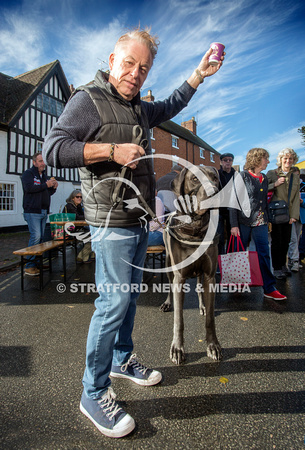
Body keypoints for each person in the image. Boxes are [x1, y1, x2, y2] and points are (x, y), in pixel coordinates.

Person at [43, 27, 225, 438]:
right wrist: (110, 151)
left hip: (141, 219)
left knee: (128, 302)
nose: (135, 74)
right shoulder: (87, 100)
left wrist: (198, 74)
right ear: (112, 60)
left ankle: (123, 359)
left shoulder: (140, 108)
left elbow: (172, 103)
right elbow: (54, 148)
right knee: (112, 305)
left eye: (143, 68)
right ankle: (93, 392)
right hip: (110, 221)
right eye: (129, 64)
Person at [230, 148, 286, 301]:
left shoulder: (264, 178)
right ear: (257, 159)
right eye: (266, 158)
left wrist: (267, 219)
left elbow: (264, 201)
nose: (268, 161)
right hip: (243, 222)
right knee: (239, 253)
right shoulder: (242, 176)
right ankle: (237, 282)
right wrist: (234, 225)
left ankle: (269, 288)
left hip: (260, 221)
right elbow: (233, 201)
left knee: (264, 253)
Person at [21, 151, 58, 276]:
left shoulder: (44, 177)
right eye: (40, 161)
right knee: (35, 237)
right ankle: (29, 266)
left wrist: (53, 187)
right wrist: (45, 185)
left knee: (41, 238)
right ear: (34, 162)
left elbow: (47, 193)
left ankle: (37, 263)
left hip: (43, 211)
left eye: (44, 162)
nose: (43, 164)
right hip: (32, 211)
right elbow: (29, 188)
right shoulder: (28, 174)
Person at [267, 148, 300, 279]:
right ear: (280, 160)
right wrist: (274, 184)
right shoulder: (272, 173)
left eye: (290, 158)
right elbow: (262, 188)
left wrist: (294, 215)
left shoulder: (295, 176)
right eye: (285, 158)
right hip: (276, 213)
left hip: (288, 213)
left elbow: (296, 197)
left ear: (293, 160)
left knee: (286, 240)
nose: (288, 161)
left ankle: (283, 265)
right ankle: (276, 267)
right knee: (276, 241)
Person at [63, 190, 94, 263]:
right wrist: (88, 216)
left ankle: (91, 256)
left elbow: (82, 216)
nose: (79, 198)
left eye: (81, 197)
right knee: (91, 238)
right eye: (77, 197)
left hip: (77, 229)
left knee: (95, 234)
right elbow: (77, 217)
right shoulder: (69, 206)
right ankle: (82, 257)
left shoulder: (78, 206)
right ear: (72, 198)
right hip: (69, 231)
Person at [217, 152, 235, 255]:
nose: (228, 162)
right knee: (219, 237)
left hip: (232, 209)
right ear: (221, 162)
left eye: (230, 160)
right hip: (219, 209)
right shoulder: (217, 174)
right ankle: (220, 261)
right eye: (225, 160)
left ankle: (230, 259)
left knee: (232, 235)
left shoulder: (236, 175)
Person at [287, 167, 302, 272]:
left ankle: (293, 259)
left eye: (298, 175)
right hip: (290, 215)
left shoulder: (302, 186)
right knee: (293, 239)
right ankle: (294, 260)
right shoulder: (287, 185)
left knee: (297, 237)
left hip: (300, 215)